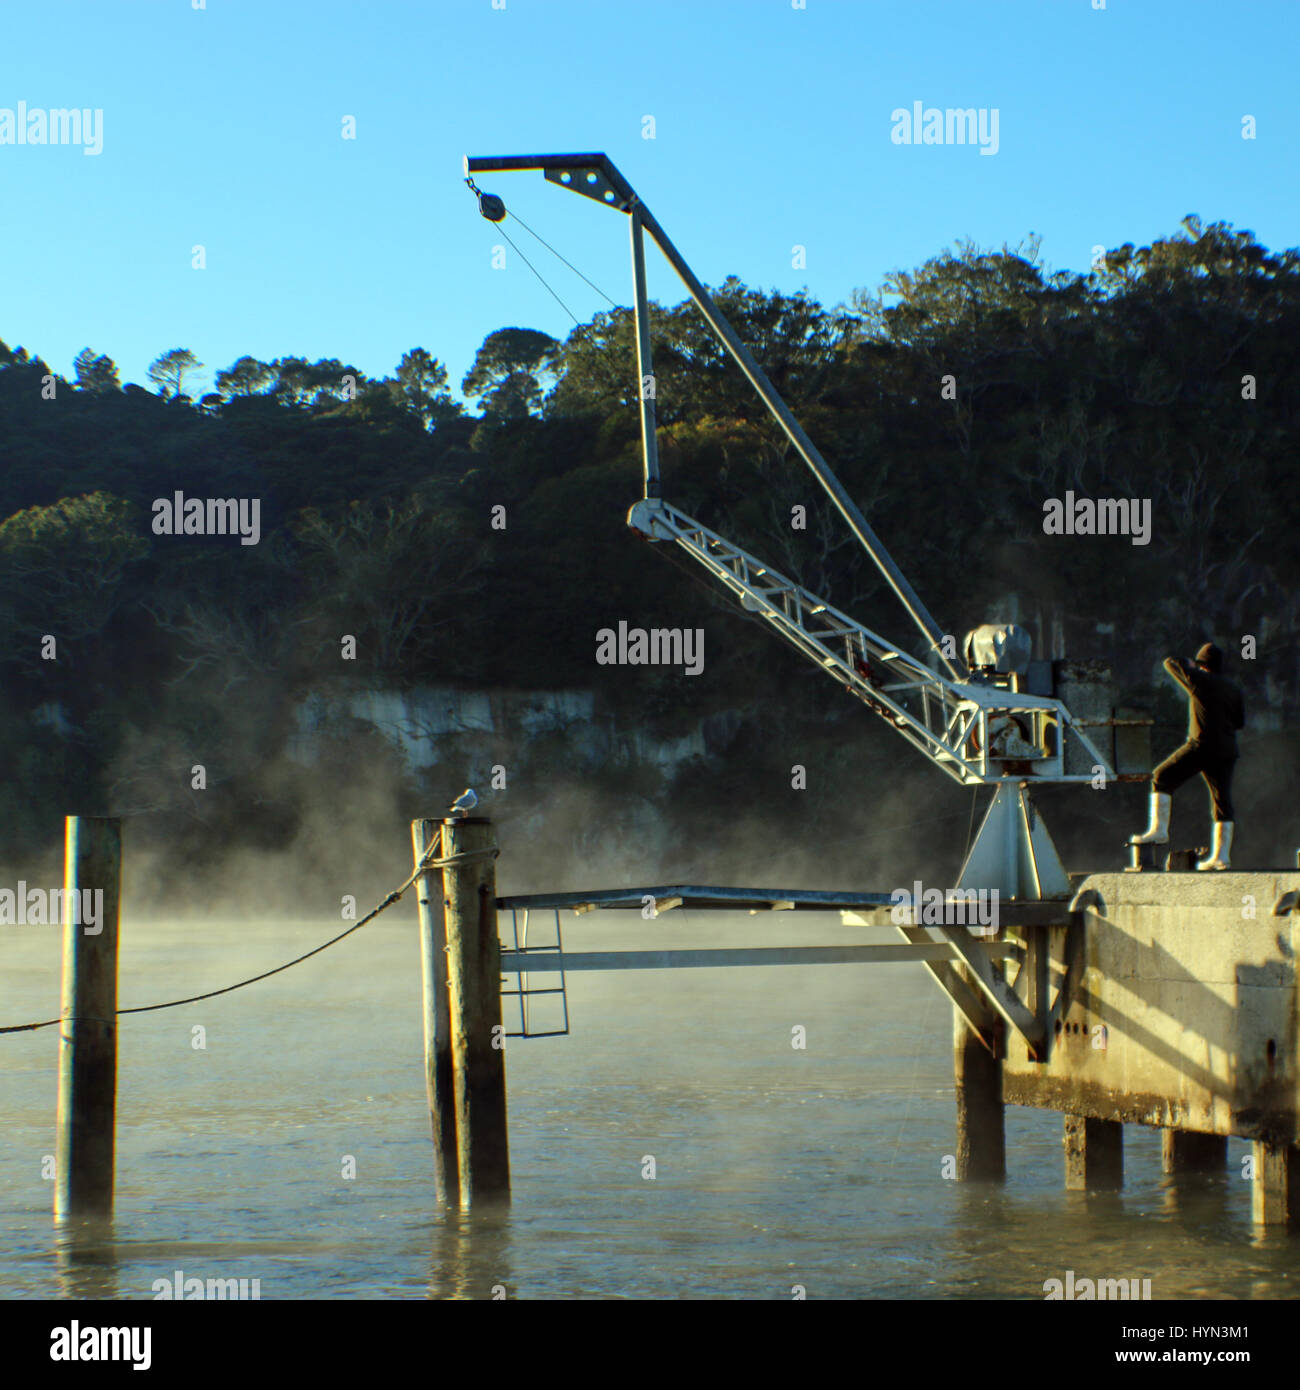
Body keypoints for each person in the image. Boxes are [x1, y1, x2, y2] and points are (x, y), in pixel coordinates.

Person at [1130, 642, 1245, 870]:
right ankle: (1221, 857)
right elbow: (1240, 723)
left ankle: (1159, 832)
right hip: (1227, 750)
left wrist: (1188, 664)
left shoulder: (1199, 680)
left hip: (1201, 745)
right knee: (1222, 801)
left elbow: (1169, 663)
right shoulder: (1233, 688)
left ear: (1202, 665)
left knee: (1161, 776)